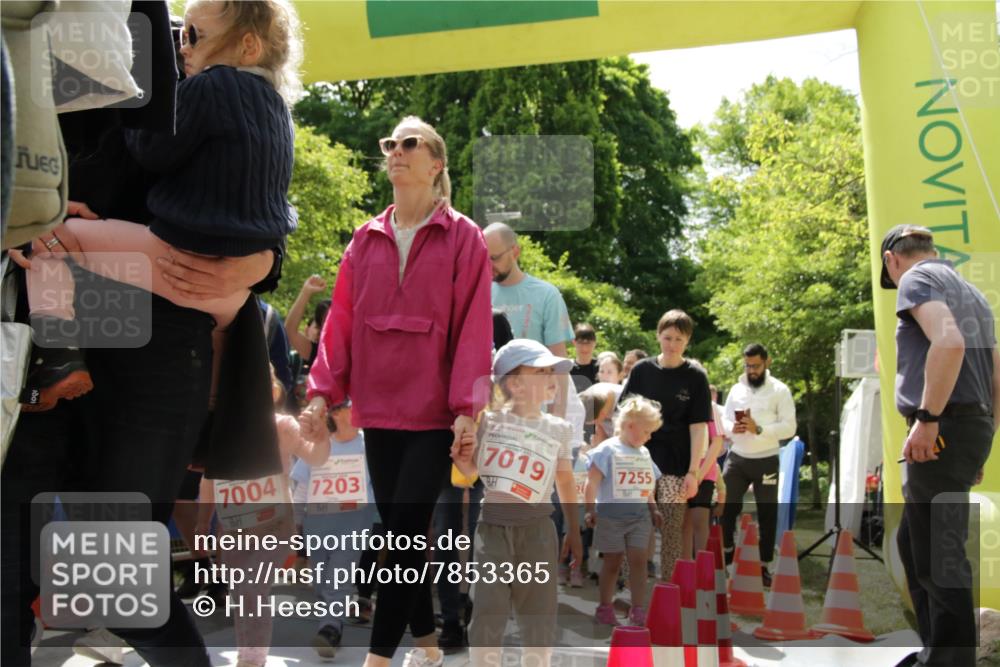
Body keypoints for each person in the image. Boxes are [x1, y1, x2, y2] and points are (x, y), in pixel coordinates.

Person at [1, 3, 300, 665]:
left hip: (143, 339)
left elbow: (248, 181)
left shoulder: (159, 41)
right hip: (24, 331)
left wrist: (258, 261)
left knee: (112, 576)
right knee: (12, 572)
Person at [13, 0, 300, 413]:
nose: (183, 47)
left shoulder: (207, 85)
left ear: (248, 46)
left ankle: (56, 355)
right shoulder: (277, 108)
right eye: (183, 36)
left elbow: (155, 147)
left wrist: (138, 116)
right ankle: (214, 420)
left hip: (172, 260)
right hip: (231, 288)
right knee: (219, 339)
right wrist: (262, 262)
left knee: (51, 241)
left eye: (193, 36)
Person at [300, 116, 492, 667]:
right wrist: (321, 393)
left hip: (433, 412)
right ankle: (428, 646)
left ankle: (377, 658)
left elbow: (472, 329)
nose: (396, 152)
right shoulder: (364, 237)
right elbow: (339, 323)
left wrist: (466, 411)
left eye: (410, 144)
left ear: (436, 164)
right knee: (402, 533)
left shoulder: (466, 238)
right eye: (391, 143)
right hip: (377, 408)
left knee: (404, 529)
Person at [881, 224, 997, 667]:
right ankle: (936, 652)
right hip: (971, 424)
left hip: (944, 424)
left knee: (937, 554)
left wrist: (927, 419)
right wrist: (983, 435)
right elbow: (997, 372)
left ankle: (952, 661)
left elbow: (948, 342)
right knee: (916, 542)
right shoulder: (972, 293)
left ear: (892, 259)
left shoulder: (917, 279)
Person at [453, 339, 583, 667]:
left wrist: (574, 528)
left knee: (538, 620)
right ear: (515, 383)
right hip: (492, 530)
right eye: (541, 371)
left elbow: (565, 481)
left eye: (552, 371)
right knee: (487, 616)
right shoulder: (487, 422)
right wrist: (462, 460)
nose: (552, 377)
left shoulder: (559, 429)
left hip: (539, 532)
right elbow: (473, 473)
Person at [196, 365, 328, 667]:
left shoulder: (282, 426)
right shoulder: (220, 431)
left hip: (275, 526)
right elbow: (209, 480)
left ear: (273, 392)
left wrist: (321, 435)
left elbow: (317, 457)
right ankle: (247, 654)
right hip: (233, 529)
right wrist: (204, 521)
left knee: (252, 586)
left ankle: (254, 659)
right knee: (241, 592)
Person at [620, 309, 710, 583]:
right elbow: (623, 414)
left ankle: (669, 589)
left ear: (687, 341)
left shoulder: (695, 376)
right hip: (639, 460)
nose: (672, 345)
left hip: (676, 464)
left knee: (672, 529)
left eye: (678, 339)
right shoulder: (642, 370)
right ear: (658, 336)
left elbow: (699, 428)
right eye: (667, 337)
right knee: (635, 523)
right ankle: (628, 586)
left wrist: (694, 472)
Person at [290, 398, 377, 660]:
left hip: (354, 523)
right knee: (321, 582)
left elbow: (377, 487)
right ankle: (331, 625)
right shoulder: (317, 444)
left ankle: (329, 628)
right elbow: (302, 485)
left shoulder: (368, 445)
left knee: (338, 576)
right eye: (342, 407)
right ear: (334, 413)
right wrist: (294, 523)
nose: (348, 411)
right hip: (318, 525)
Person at [720, 343, 796, 587]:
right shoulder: (736, 388)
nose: (751, 370)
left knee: (767, 513)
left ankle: (764, 566)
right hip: (738, 456)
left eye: (756, 366)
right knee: (725, 507)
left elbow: (790, 427)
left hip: (766, 458)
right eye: (747, 365)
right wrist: (733, 427)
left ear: (767, 362)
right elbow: (725, 417)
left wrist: (760, 429)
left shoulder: (780, 390)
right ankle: (727, 555)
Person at [584, 396, 664, 626]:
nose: (649, 437)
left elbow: (647, 484)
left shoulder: (644, 453)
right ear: (630, 426)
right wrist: (590, 509)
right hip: (610, 518)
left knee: (639, 561)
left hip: (639, 517)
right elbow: (592, 482)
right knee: (613, 562)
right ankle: (604, 606)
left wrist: (654, 508)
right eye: (647, 431)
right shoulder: (607, 449)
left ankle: (638, 608)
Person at [485, 222, 574, 356]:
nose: (489, 265)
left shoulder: (547, 295)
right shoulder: (477, 294)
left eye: (494, 258)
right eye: (484, 258)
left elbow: (558, 358)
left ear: (515, 252)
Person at [681, 360, 725, 559]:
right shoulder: (680, 403)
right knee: (684, 522)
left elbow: (717, 442)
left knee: (700, 520)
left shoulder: (711, 406)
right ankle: (683, 569)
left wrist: (699, 473)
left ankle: (703, 571)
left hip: (704, 471)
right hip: (681, 469)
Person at [571, 323, 599, 392]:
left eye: (588, 343)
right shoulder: (568, 369)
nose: (584, 347)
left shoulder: (601, 368)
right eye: (580, 342)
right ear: (574, 342)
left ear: (595, 343)